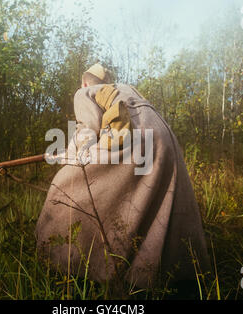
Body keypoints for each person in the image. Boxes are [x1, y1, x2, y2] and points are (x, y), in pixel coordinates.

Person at [36, 63, 210, 291]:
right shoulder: (127, 88)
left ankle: (64, 266)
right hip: (163, 137)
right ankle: (171, 277)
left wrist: (68, 156)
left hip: (133, 138)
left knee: (64, 188)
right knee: (153, 200)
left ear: (85, 82)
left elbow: (87, 130)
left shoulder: (85, 92)